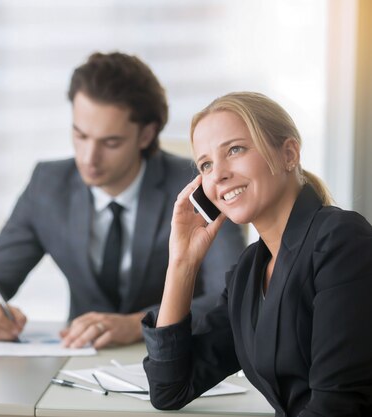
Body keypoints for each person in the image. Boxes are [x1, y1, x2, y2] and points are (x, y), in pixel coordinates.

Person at [0, 52, 246, 348]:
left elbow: (232, 296)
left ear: (145, 135)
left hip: (176, 361)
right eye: (80, 136)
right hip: (77, 362)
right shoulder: (48, 185)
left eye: (110, 143)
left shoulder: (194, 188)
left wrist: (138, 324)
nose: (88, 158)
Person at [142, 92, 372, 415]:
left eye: (235, 150)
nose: (218, 174)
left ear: (288, 154)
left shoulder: (340, 240)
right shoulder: (248, 272)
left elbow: (337, 405)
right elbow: (169, 389)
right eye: (206, 164)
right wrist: (182, 263)